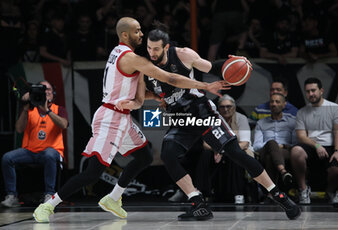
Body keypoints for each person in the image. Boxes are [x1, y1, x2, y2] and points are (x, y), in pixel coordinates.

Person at [32, 17, 228, 223]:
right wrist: (205, 86)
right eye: (137, 31)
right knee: (93, 172)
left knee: (144, 156)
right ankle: (48, 206)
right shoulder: (132, 59)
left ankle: (114, 198)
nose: (142, 34)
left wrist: (156, 98)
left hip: (122, 117)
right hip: (111, 118)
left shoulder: (118, 53)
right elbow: (170, 78)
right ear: (124, 35)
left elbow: (141, 93)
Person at [119, 24, 301, 221]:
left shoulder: (183, 54)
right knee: (168, 155)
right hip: (180, 118)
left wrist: (232, 64)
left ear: (166, 47)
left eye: (156, 49)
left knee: (235, 154)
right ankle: (197, 202)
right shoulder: (145, 66)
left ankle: (278, 194)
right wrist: (144, 99)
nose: (151, 53)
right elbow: (146, 94)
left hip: (200, 111)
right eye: (148, 48)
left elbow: (210, 66)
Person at [1, 81, 68, 208]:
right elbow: (19, 129)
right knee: (7, 158)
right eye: (42, 90)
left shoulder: (59, 109)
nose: (45, 92)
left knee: (49, 154)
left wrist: (47, 110)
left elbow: (64, 125)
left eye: (48, 89)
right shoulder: (30, 110)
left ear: (53, 94)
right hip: (30, 151)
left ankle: (49, 194)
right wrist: (25, 109)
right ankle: (12, 196)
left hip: (52, 151)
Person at [290, 77, 338, 204]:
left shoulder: (335, 108)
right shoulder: (302, 112)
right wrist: (316, 145)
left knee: (337, 171)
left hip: (332, 146)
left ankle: (330, 192)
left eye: (313, 90)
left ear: (321, 91)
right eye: (308, 91)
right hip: (311, 146)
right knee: (296, 151)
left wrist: (337, 151)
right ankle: (303, 190)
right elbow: (301, 136)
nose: (310, 94)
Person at [197, 94, 255, 204]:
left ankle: (239, 194)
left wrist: (223, 150)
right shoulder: (213, 119)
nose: (226, 109)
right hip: (218, 151)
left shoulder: (241, 118)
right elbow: (205, 144)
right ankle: (203, 192)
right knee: (204, 154)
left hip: (238, 149)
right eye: (222, 107)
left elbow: (245, 143)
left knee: (236, 154)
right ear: (218, 108)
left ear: (234, 107)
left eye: (228, 106)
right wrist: (218, 149)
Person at [253, 93, 296, 187]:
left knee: (270, 157)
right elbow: (256, 146)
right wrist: (272, 146)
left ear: (284, 104)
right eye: (272, 101)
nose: (274, 104)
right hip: (264, 151)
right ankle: (283, 172)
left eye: (277, 101)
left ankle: (271, 194)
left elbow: (296, 144)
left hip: (285, 151)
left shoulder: (292, 122)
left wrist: (283, 146)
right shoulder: (261, 123)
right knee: (272, 143)